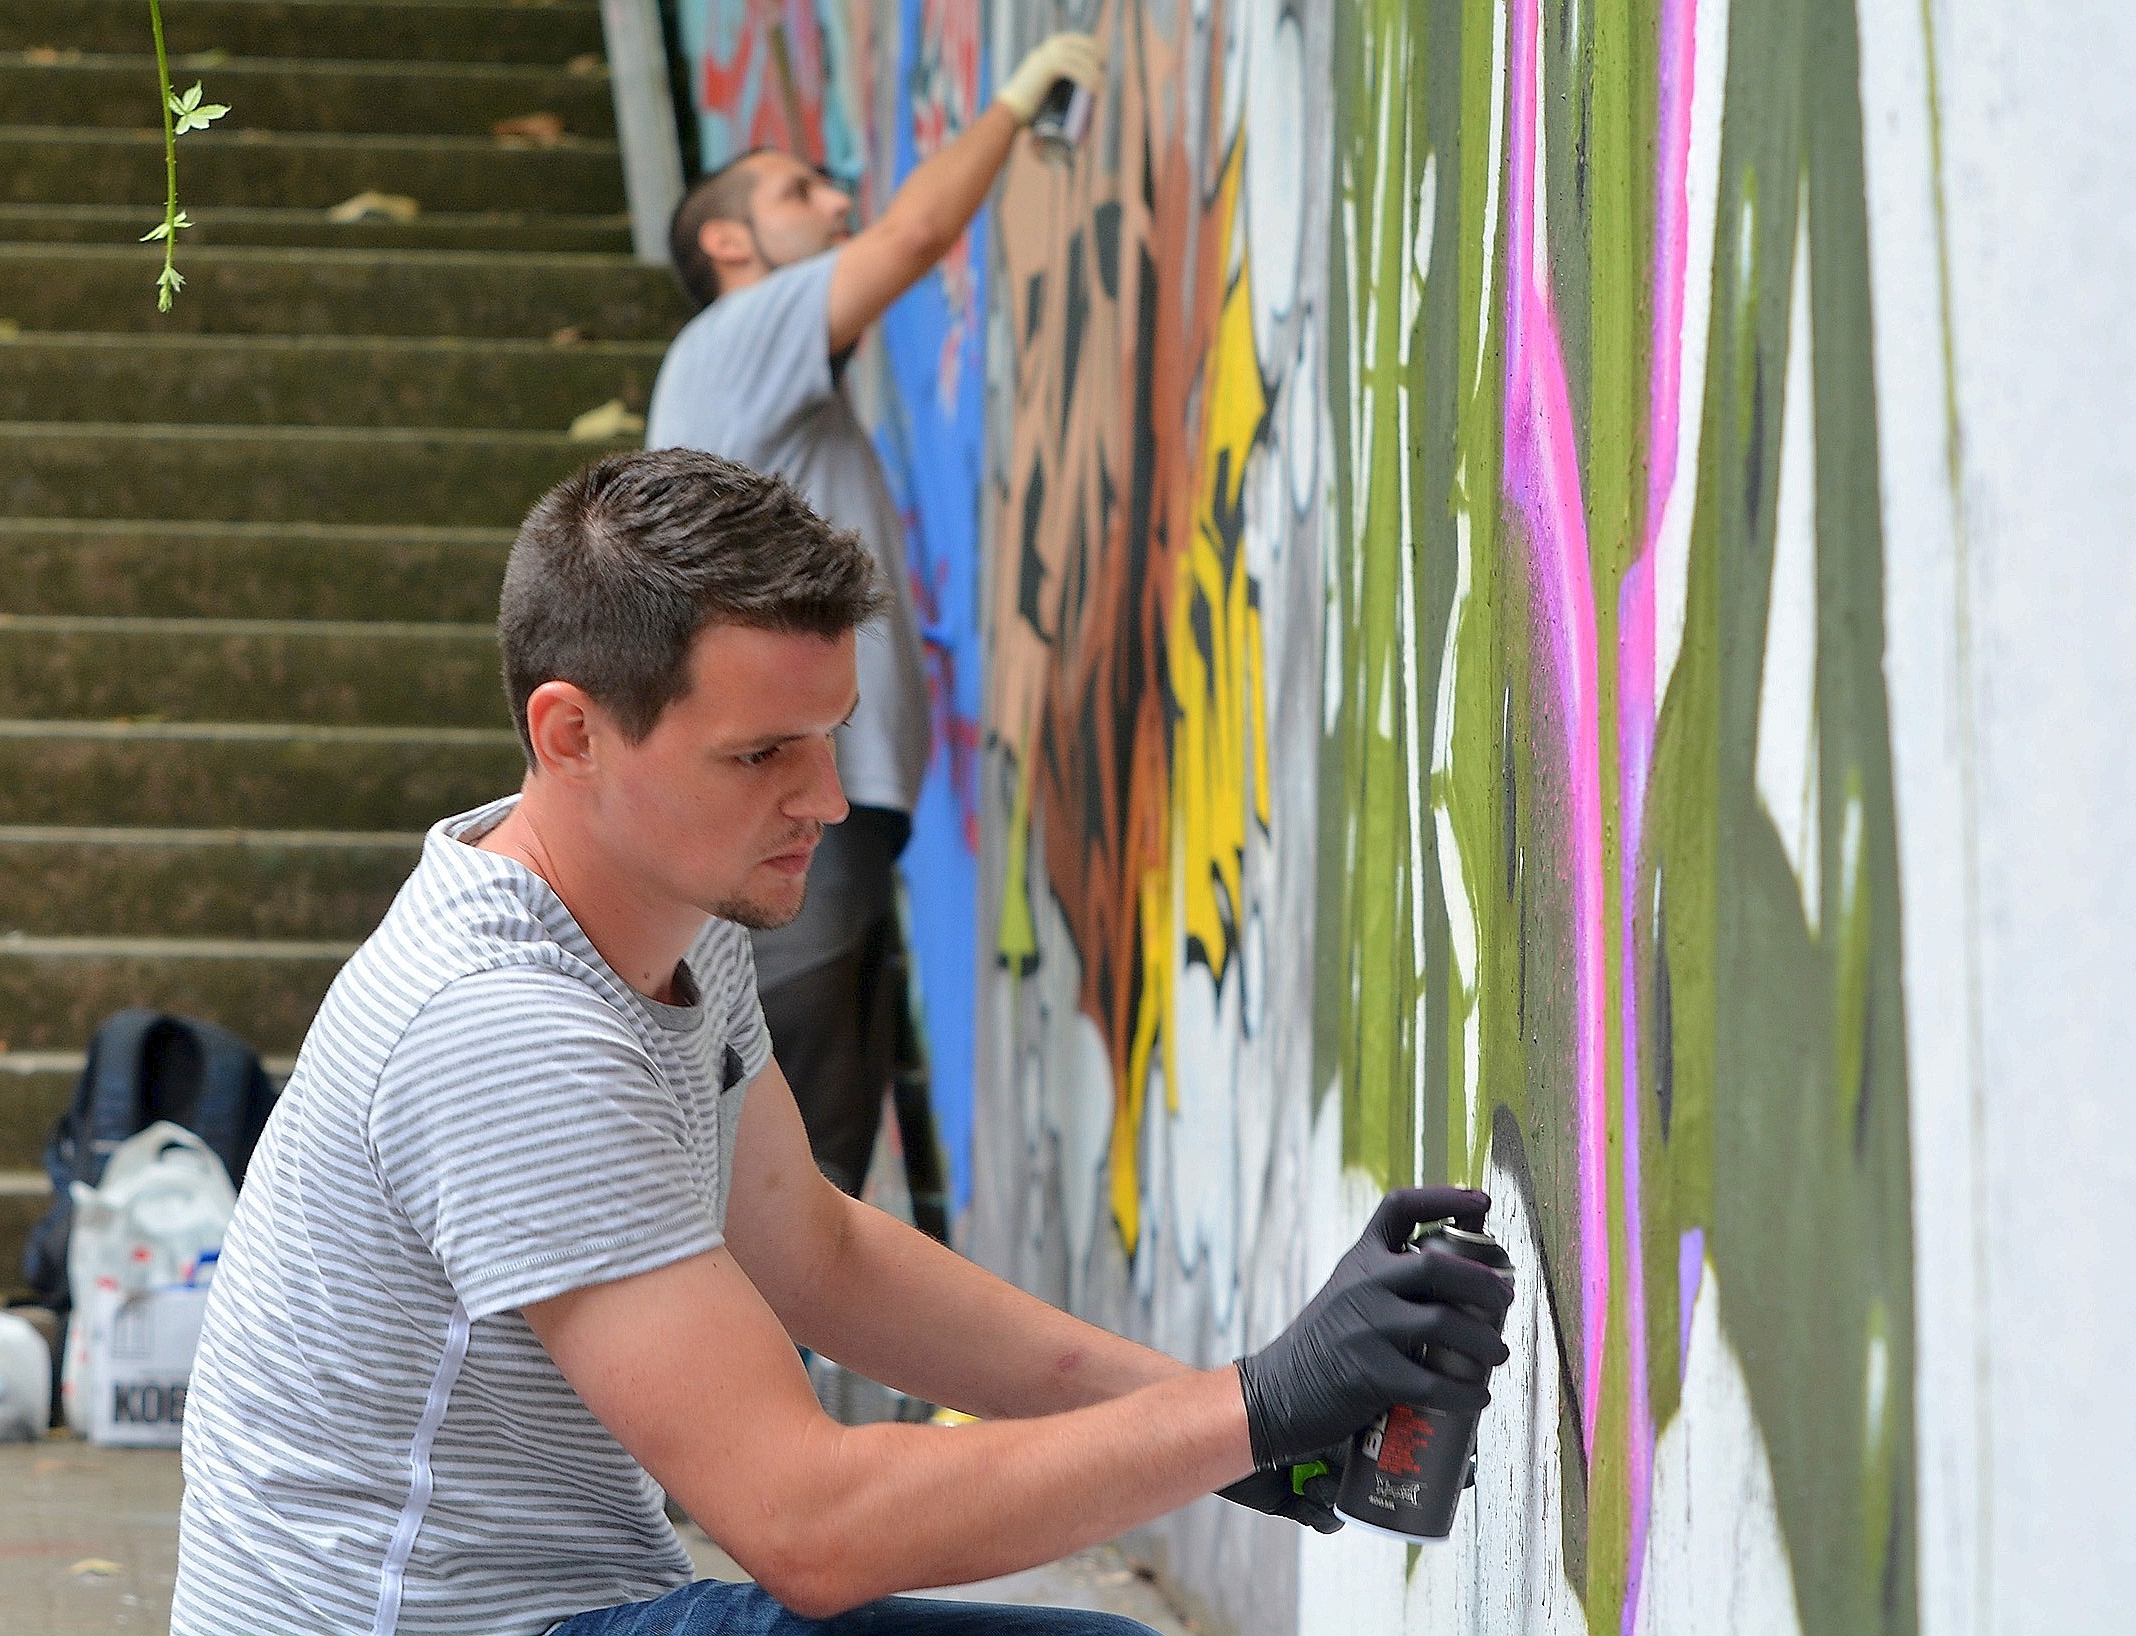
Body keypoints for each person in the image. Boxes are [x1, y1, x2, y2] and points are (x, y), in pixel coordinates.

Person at [171, 449, 1512, 1636]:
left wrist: (1215, 1427)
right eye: (760, 757)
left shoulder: (667, 910)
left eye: (830, 738)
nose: (824, 799)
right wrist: (1255, 1404)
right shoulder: (502, 1030)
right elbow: (809, 1526)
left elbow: (812, 1253)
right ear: (570, 733)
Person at [644, 32, 1104, 1203]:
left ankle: (780, 1383)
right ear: (728, 243)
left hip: (821, 804)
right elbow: (912, 237)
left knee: (819, 1162)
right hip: (789, 801)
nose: (838, 198)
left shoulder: (763, 384)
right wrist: (1012, 102)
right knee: (788, 1162)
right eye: (799, 191)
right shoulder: (737, 338)